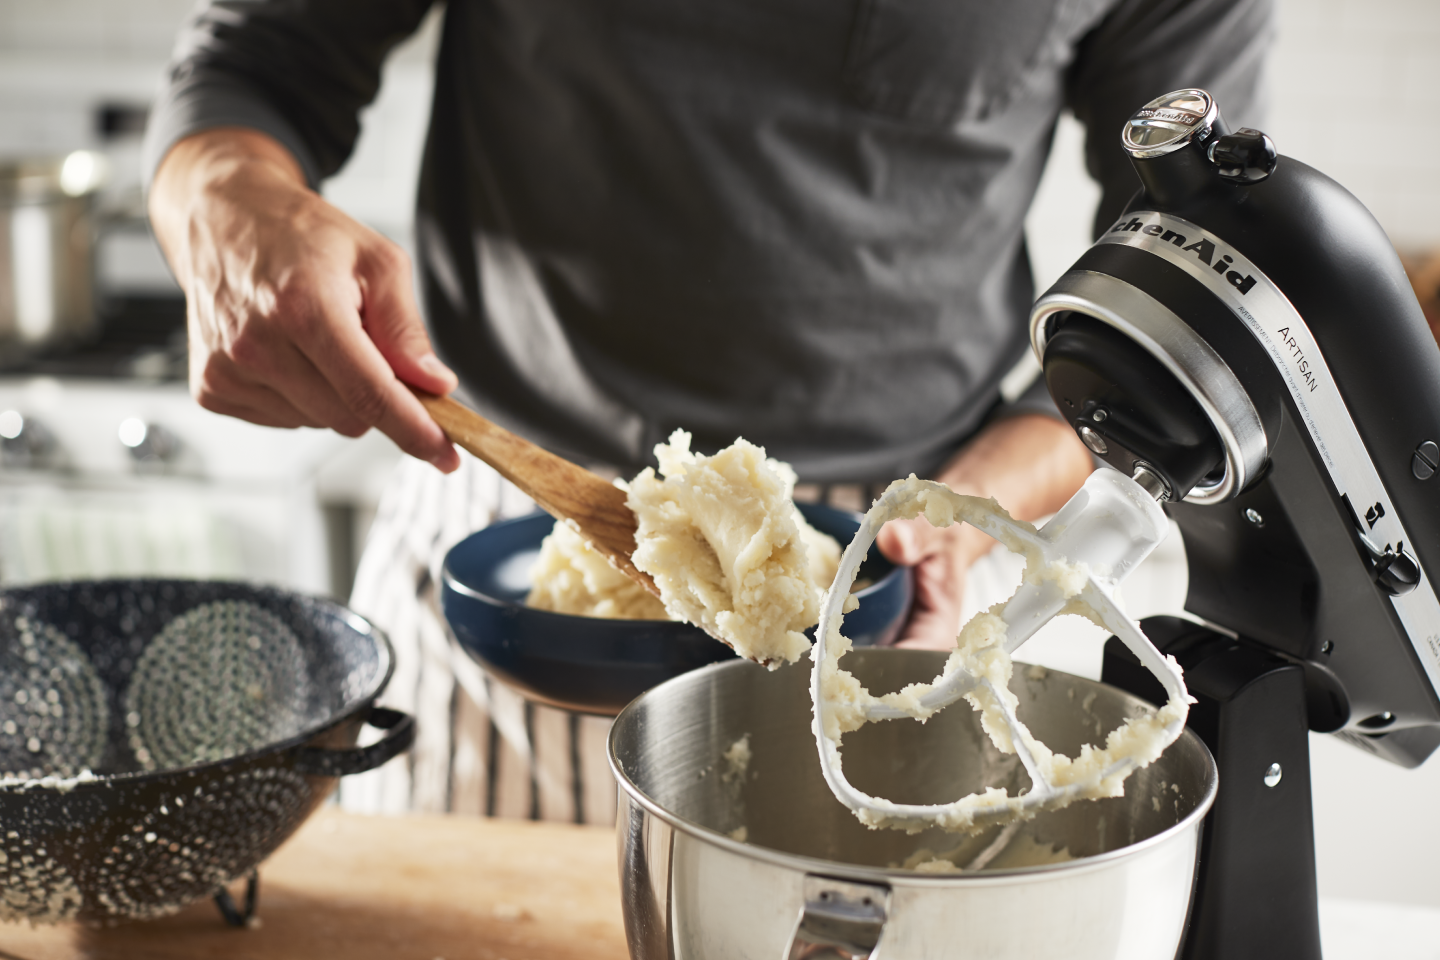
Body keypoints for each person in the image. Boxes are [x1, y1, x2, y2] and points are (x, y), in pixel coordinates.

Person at [144, 0, 1271, 820]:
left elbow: (1198, 285)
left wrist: (977, 505)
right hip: (507, 549)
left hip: (900, 582)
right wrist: (223, 203)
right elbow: (259, 66)